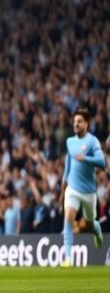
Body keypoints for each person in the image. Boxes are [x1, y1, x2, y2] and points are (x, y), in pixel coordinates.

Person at [60, 108, 106, 266]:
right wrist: (63, 182)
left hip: (88, 191)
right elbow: (68, 163)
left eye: (79, 121)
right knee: (69, 217)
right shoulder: (70, 142)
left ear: (87, 124)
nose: (76, 124)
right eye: (74, 122)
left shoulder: (93, 141)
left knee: (89, 224)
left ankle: (97, 230)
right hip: (72, 188)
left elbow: (102, 162)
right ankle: (67, 257)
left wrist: (85, 158)